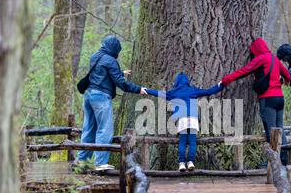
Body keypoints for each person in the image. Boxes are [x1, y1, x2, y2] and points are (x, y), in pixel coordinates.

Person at [75, 35, 147, 172]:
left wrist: (120, 72)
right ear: (114, 49)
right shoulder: (111, 60)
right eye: (118, 52)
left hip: (89, 95)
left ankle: (82, 162)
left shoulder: (95, 56)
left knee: (89, 129)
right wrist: (138, 89)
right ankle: (100, 163)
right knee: (104, 129)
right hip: (101, 97)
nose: (118, 55)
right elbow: (120, 83)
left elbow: (101, 72)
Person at [220, 38, 291, 166]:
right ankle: (284, 159)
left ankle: (275, 161)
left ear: (256, 50)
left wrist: (226, 80)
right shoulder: (274, 58)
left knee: (271, 131)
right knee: (279, 129)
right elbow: (288, 75)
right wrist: (285, 80)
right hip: (280, 99)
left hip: (267, 99)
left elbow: (244, 71)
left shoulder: (261, 59)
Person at [145, 73, 224, 172]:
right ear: (187, 81)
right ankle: (190, 162)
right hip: (193, 119)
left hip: (182, 118)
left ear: (177, 82)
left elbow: (159, 93)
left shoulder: (174, 92)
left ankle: (181, 163)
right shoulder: (192, 90)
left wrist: (146, 90)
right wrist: (221, 85)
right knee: (192, 142)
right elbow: (208, 92)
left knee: (182, 141)